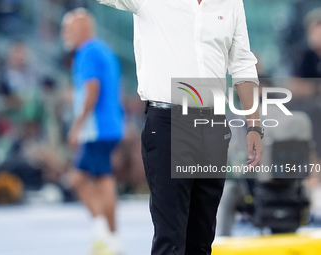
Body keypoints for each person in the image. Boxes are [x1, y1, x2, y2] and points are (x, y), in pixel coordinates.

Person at [94, 1, 263, 254]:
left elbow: (242, 63)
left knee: (202, 238)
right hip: (167, 123)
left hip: (213, 124)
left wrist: (255, 126)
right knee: (170, 238)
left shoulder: (231, 3)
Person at [61, 8, 124, 254]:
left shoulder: (86, 52)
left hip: (96, 129)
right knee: (102, 180)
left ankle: (105, 236)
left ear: (82, 29)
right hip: (110, 126)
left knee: (80, 179)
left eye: (69, 28)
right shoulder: (104, 51)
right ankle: (110, 238)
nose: (65, 34)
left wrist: (77, 126)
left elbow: (92, 90)